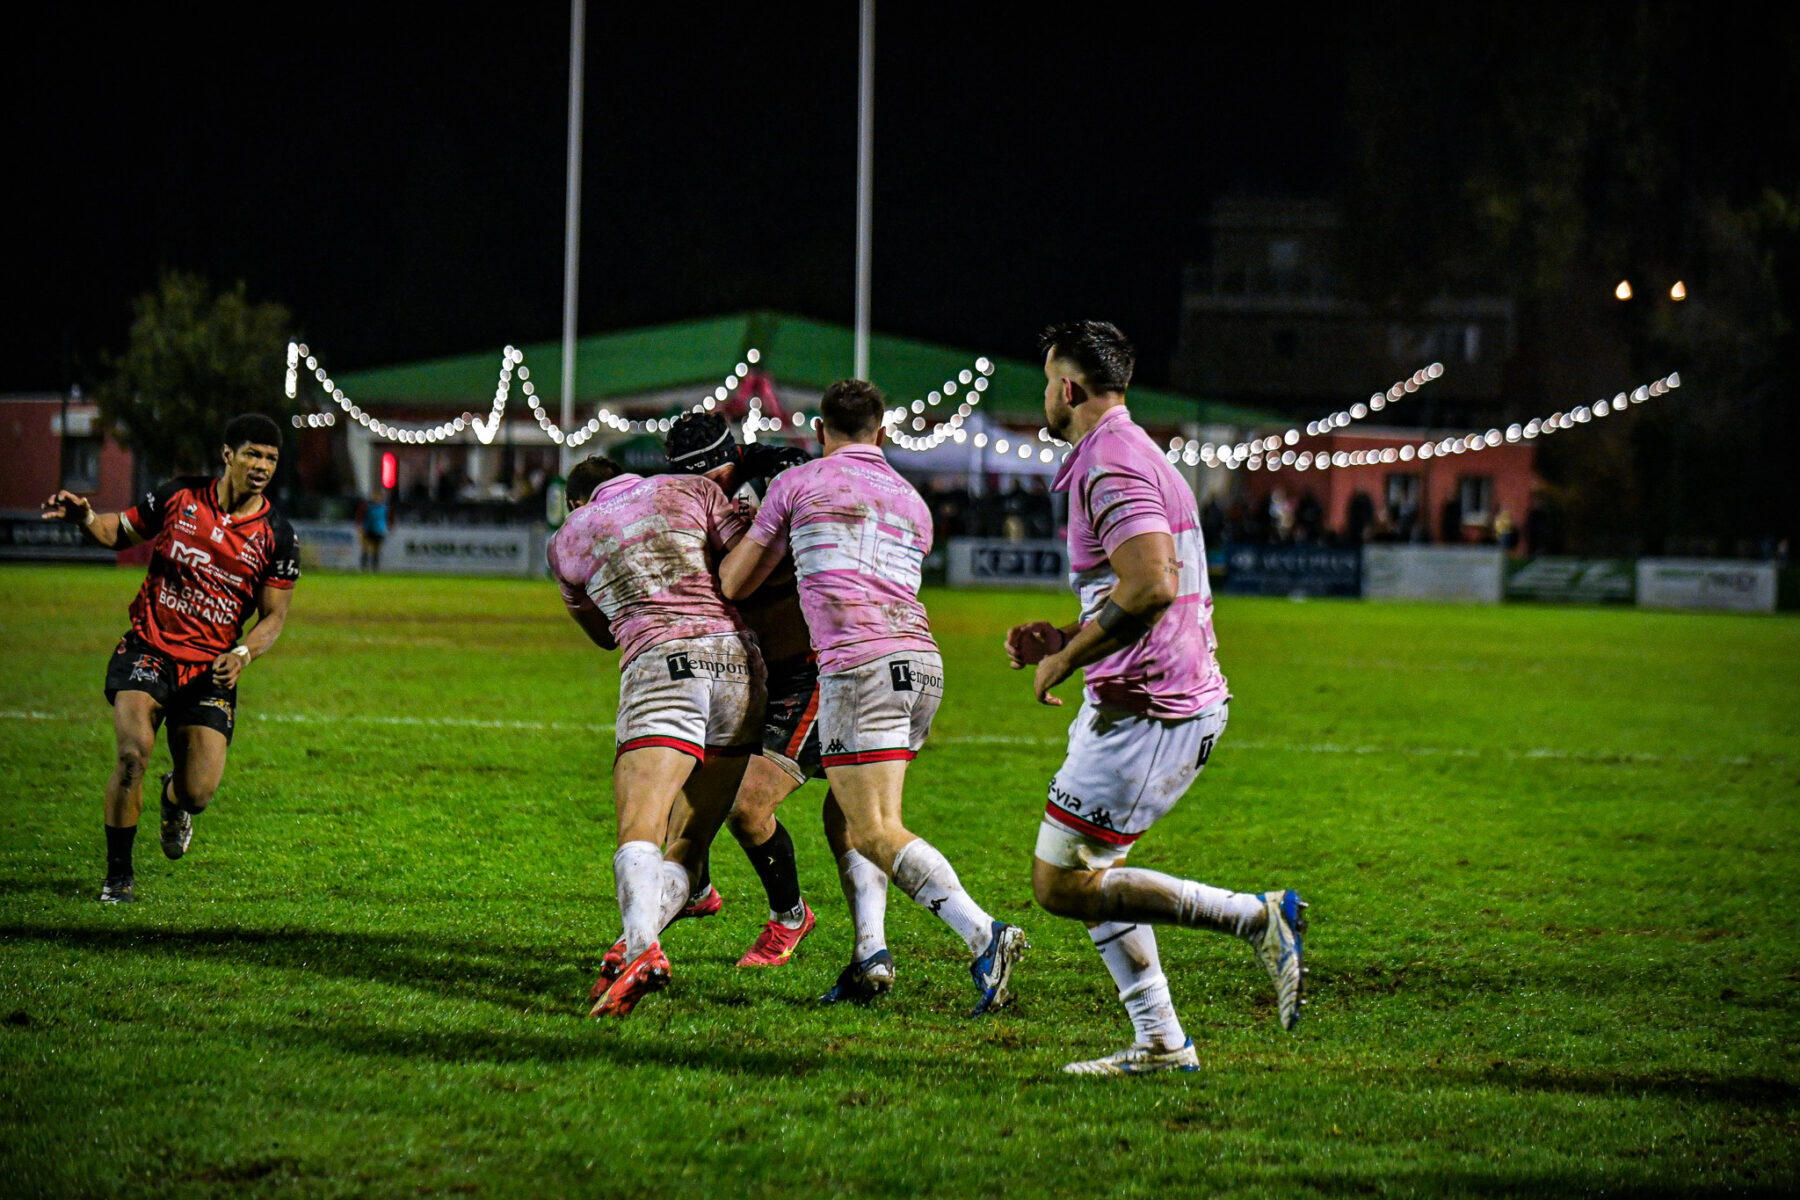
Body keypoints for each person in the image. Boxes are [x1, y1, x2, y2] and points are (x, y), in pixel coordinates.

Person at [1006, 321, 1306, 1076]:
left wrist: (1068, 659)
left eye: (1048, 381)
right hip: (1152, 698)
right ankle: (1162, 1042)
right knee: (1096, 873)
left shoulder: (1110, 463)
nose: (1046, 394)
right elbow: (1135, 586)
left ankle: (1255, 917)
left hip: (1151, 712)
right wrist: (1069, 633)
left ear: (1068, 389)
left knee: (1063, 882)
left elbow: (1152, 585)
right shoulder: (1134, 453)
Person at [720, 380, 1026, 1015]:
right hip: (923, 667)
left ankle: (984, 934)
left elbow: (736, 580)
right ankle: (870, 954)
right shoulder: (913, 502)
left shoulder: (799, 483)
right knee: (846, 814)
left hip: (859, 667)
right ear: (882, 432)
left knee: (874, 826)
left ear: (820, 432)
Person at [665, 413, 897, 981]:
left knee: (750, 808)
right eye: (696, 483)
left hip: (814, 670)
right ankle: (693, 887)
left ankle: (790, 918)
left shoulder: (781, 473)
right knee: (681, 783)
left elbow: (773, 564)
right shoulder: (686, 499)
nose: (710, 491)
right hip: (751, 670)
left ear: (738, 455)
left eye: (716, 476)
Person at [40, 413, 301, 904]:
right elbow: (120, 531)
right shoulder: (180, 496)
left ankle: (173, 799)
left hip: (210, 669)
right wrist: (86, 519)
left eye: (270, 458)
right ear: (228, 454)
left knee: (198, 792)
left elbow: (274, 618)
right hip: (149, 648)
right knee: (131, 752)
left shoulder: (278, 536)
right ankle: (119, 876)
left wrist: (242, 653)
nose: (261, 465)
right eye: (252, 453)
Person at [546, 454, 766, 1019]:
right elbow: (747, 561)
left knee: (641, 823)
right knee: (689, 843)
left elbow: (600, 633)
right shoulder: (690, 490)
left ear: (576, 502)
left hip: (663, 664)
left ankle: (643, 948)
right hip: (741, 667)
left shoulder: (569, 536)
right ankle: (634, 944)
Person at [357, 491, 389, 571]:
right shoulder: (366, 507)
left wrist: (389, 527)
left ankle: (375, 568)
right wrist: (360, 527)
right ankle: (363, 567)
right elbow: (359, 517)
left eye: (378, 497)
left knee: (376, 550)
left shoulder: (384, 508)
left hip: (379, 531)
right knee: (366, 549)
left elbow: (389, 518)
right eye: (375, 496)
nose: (376, 498)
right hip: (367, 530)